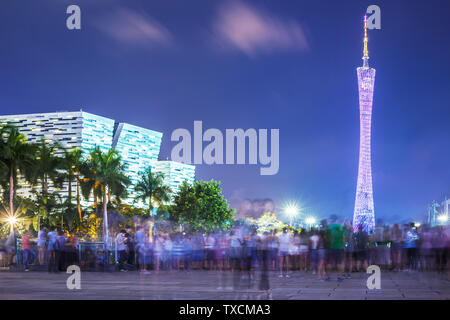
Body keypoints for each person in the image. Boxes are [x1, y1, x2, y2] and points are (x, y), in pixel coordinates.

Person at [326, 216, 345, 281]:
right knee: (340, 262)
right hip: (339, 247)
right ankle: (339, 277)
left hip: (330, 247)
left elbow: (326, 237)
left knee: (329, 263)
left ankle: (328, 277)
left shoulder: (328, 227)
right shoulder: (340, 227)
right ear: (337, 220)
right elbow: (343, 238)